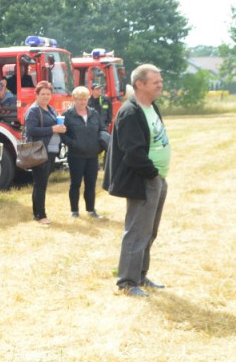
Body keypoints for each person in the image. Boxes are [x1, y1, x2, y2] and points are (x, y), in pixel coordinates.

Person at [102, 64, 170, 298]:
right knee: (137, 232)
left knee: (149, 231)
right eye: (155, 82)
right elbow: (133, 152)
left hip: (157, 178)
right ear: (140, 84)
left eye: (160, 81)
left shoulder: (151, 106)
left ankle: (140, 275)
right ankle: (128, 282)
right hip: (144, 180)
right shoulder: (130, 112)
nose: (160, 85)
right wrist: (151, 173)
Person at [24, 81, 66, 226]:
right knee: (40, 184)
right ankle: (40, 215)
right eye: (43, 94)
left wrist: (60, 129)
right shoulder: (33, 111)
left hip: (51, 150)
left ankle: (38, 213)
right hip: (39, 151)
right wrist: (52, 129)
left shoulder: (51, 109)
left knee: (42, 183)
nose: (46, 96)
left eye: (48, 94)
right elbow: (31, 131)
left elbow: (55, 126)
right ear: (36, 94)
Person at [62, 86, 107, 219]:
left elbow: (102, 129)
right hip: (76, 155)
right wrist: (74, 144)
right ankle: (74, 211)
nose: (82, 102)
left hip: (92, 155)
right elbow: (62, 135)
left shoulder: (94, 114)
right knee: (75, 183)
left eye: (85, 99)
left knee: (91, 184)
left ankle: (91, 210)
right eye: (79, 99)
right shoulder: (67, 115)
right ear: (74, 99)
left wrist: (100, 146)